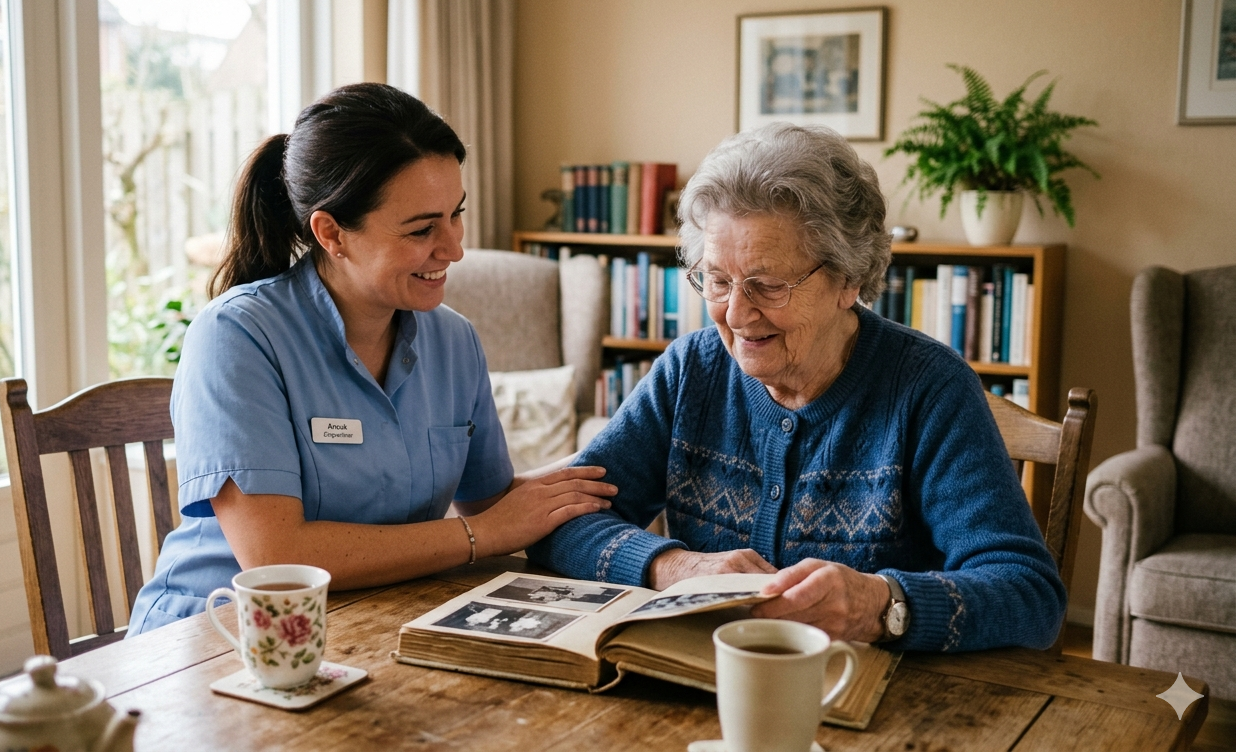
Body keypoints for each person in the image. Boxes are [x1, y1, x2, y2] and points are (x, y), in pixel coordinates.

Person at [528, 123, 1066, 652]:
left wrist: (880, 605)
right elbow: (557, 521)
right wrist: (673, 565)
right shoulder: (691, 370)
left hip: (874, 704)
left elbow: (1030, 595)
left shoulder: (928, 389)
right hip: (701, 682)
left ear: (849, 279)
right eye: (717, 280)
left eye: (767, 284)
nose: (736, 314)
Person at [128, 84, 615, 635]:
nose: (454, 247)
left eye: (456, 215)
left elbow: (493, 504)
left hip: (374, 623)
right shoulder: (236, 336)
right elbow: (276, 559)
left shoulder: (455, 341)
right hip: (215, 639)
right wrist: (482, 537)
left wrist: (622, 454)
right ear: (331, 232)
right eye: (421, 229)